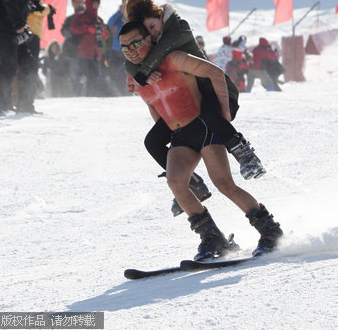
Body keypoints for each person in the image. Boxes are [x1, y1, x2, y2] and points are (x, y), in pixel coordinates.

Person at [120, 21, 283, 259]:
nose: (131, 51)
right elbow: (154, 106)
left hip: (204, 126)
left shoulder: (174, 58)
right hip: (180, 134)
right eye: (125, 48)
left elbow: (215, 73)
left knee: (224, 184)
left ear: (149, 40)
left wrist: (224, 114)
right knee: (176, 183)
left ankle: (270, 231)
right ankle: (212, 238)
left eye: (135, 43)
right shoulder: (135, 76)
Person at [122, 0, 266, 214]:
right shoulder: (151, 48)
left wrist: (140, 73)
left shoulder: (176, 28)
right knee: (152, 141)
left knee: (210, 118)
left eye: (152, 26)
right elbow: (135, 69)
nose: (152, 33)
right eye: (146, 30)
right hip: (192, 99)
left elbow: (163, 53)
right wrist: (136, 74)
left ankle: (243, 152)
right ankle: (191, 183)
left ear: (160, 15)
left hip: (216, 90)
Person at [18, 0, 52, 113]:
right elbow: (35, 10)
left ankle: (22, 103)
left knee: (26, 69)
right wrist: (48, 9)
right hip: (32, 32)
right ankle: (26, 105)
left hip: (26, 32)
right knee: (30, 69)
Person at [70, 0, 109, 96]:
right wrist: (87, 28)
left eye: (97, 3)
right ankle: (77, 96)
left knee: (94, 78)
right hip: (81, 52)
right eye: (93, 3)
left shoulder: (99, 20)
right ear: (88, 3)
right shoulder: (80, 16)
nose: (95, 5)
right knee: (80, 77)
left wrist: (102, 31)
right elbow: (73, 29)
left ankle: (91, 97)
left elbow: (105, 36)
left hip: (96, 53)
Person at [106, 0, 131, 96]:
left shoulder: (133, 15)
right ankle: (116, 92)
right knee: (114, 72)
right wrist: (118, 12)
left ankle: (127, 92)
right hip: (116, 49)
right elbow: (109, 23)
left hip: (129, 49)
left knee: (127, 72)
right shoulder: (119, 15)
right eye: (125, 3)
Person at [60, 0, 84, 96]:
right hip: (72, 51)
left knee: (84, 75)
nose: (77, 4)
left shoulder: (88, 16)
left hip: (86, 50)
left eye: (79, 1)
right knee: (73, 75)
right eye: (75, 2)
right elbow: (63, 31)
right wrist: (72, 32)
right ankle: (75, 95)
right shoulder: (70, 18)